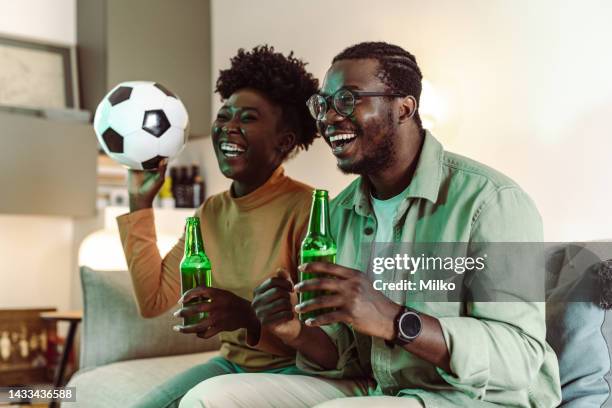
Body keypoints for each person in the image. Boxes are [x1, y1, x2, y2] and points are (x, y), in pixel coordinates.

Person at [179, 42, 562, 407]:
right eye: (323, 104)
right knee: (208, 397)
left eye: (347, 99)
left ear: (404, 108)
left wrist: (396, 320)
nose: (329, 117)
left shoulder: (491, 201)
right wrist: (291, 328)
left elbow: (521, 355)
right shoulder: (340, 212)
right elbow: (344, 354)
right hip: (376, 387)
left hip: (469, 397)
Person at [117, 45, 366, 408]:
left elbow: (331, 346)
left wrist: (249, 316)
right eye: (225, 115)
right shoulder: (210, 214)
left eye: (248, 118)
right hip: (232, 366)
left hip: (298, 372)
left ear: (285, 141)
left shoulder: (311, 211)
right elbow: (153, 301)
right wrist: (140, 203)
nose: (228, 127)